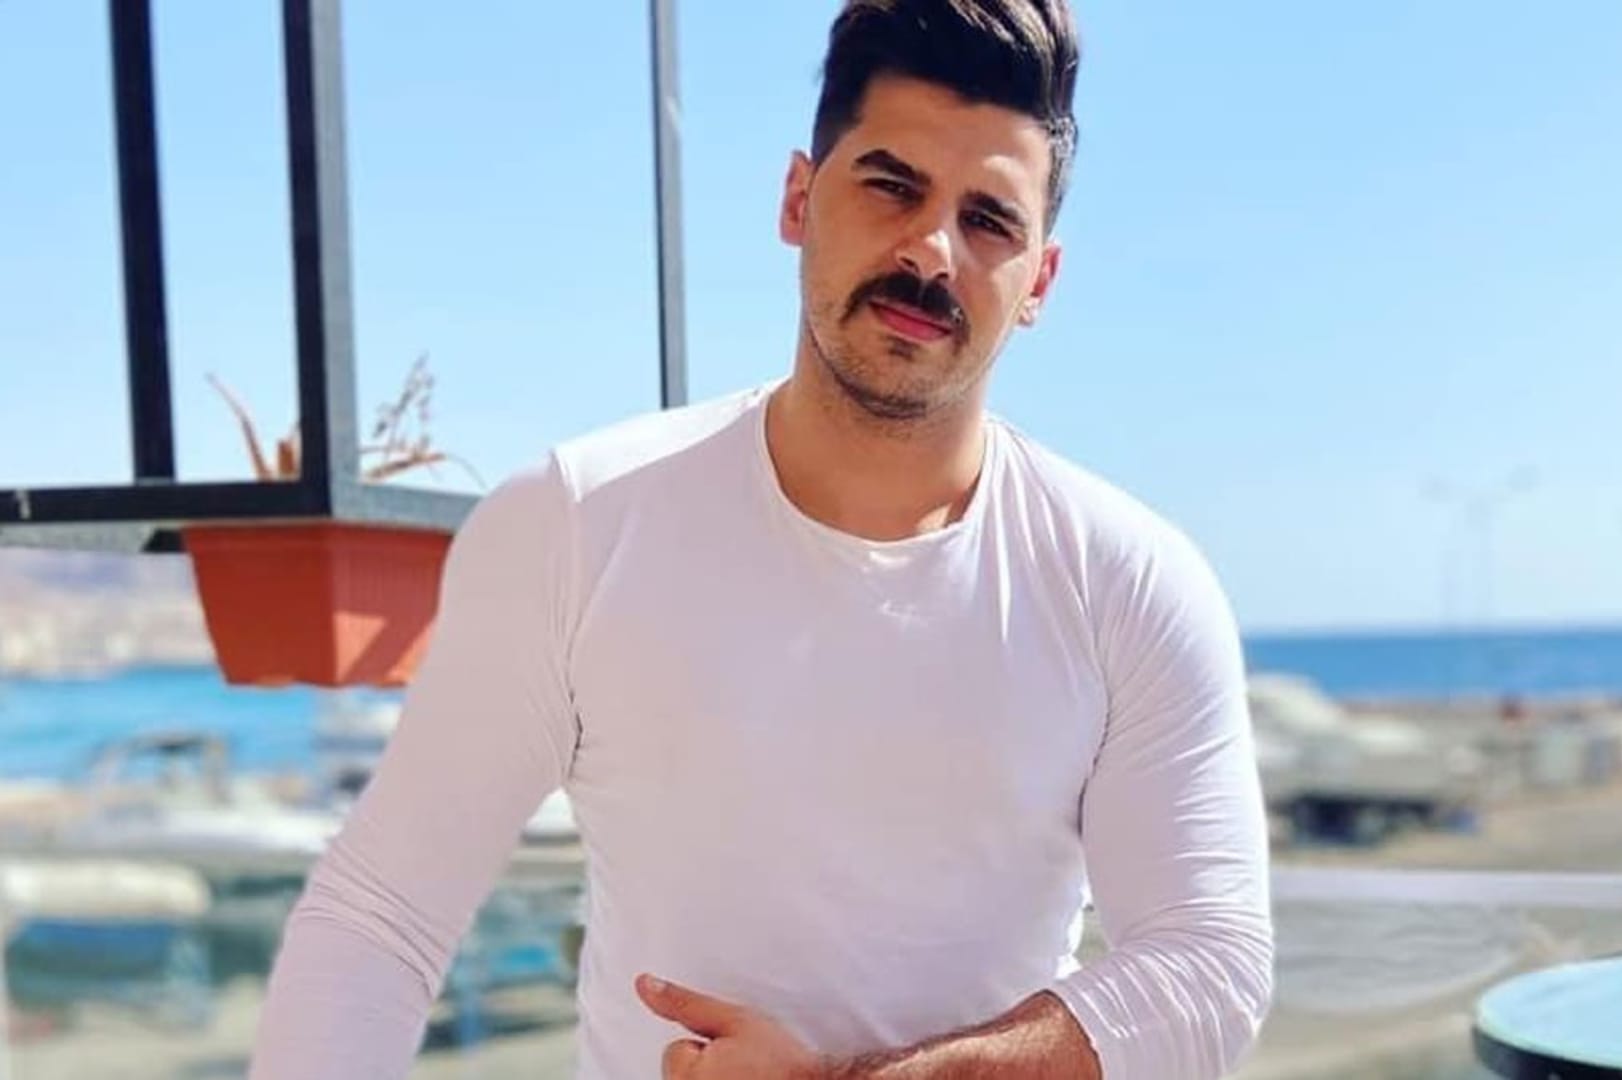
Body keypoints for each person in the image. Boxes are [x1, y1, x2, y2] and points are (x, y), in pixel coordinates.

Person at [249, 2, 1273, 1077]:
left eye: (988, 221)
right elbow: (381, 918)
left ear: (1039, 285)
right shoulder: (580, 522)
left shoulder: (1128, 583)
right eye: (892, 185)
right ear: (797, 198)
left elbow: (1207, 968)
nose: (932, 251)